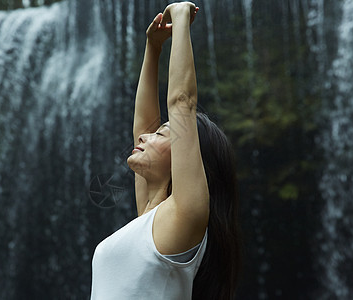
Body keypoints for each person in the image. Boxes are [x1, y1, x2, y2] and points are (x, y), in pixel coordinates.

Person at [91, 2, 241, 299]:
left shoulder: (182, 217)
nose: (145, 136)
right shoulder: (150, 220)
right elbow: (142, 128)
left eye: (161, 134)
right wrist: (153, 48)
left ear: (187, 158)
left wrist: (182, 16)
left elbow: (181, 102)